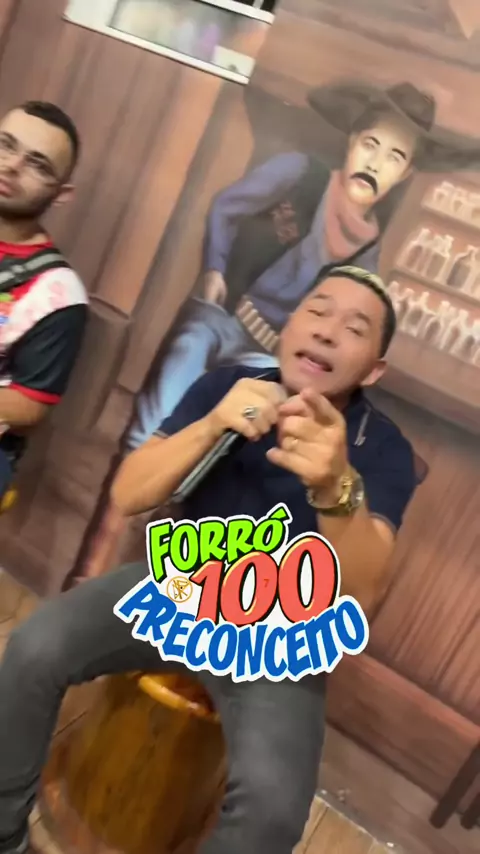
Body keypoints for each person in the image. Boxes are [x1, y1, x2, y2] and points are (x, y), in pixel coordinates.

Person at [0, 265, 418, 854]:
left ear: (374, 369)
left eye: (354, 328)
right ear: (288, 325)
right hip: (174, 589)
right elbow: (130, 493)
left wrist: (336, 485)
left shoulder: (385, 448)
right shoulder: (226, 385)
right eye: (317, 310)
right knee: (32, 647)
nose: (326, 331)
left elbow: (362, 596)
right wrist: (213, 425)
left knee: (273, 809)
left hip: (280, 635)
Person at [127, 80, 480, 447]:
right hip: (220, 317)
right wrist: (215, 269)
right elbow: (225, 208)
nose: (375, 165)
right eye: (370, 145)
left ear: (404, 174)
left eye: (395, 157)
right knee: (161, 409)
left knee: (230, 437)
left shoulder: (367, 255)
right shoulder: (297, 172)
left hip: (266, 357)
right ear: (352, 142)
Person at [0, 100, 88, 500]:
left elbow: (30, 404)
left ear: (62, 193)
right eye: (6, 145)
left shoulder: (59, 293)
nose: (12, 166)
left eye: (37, 164)